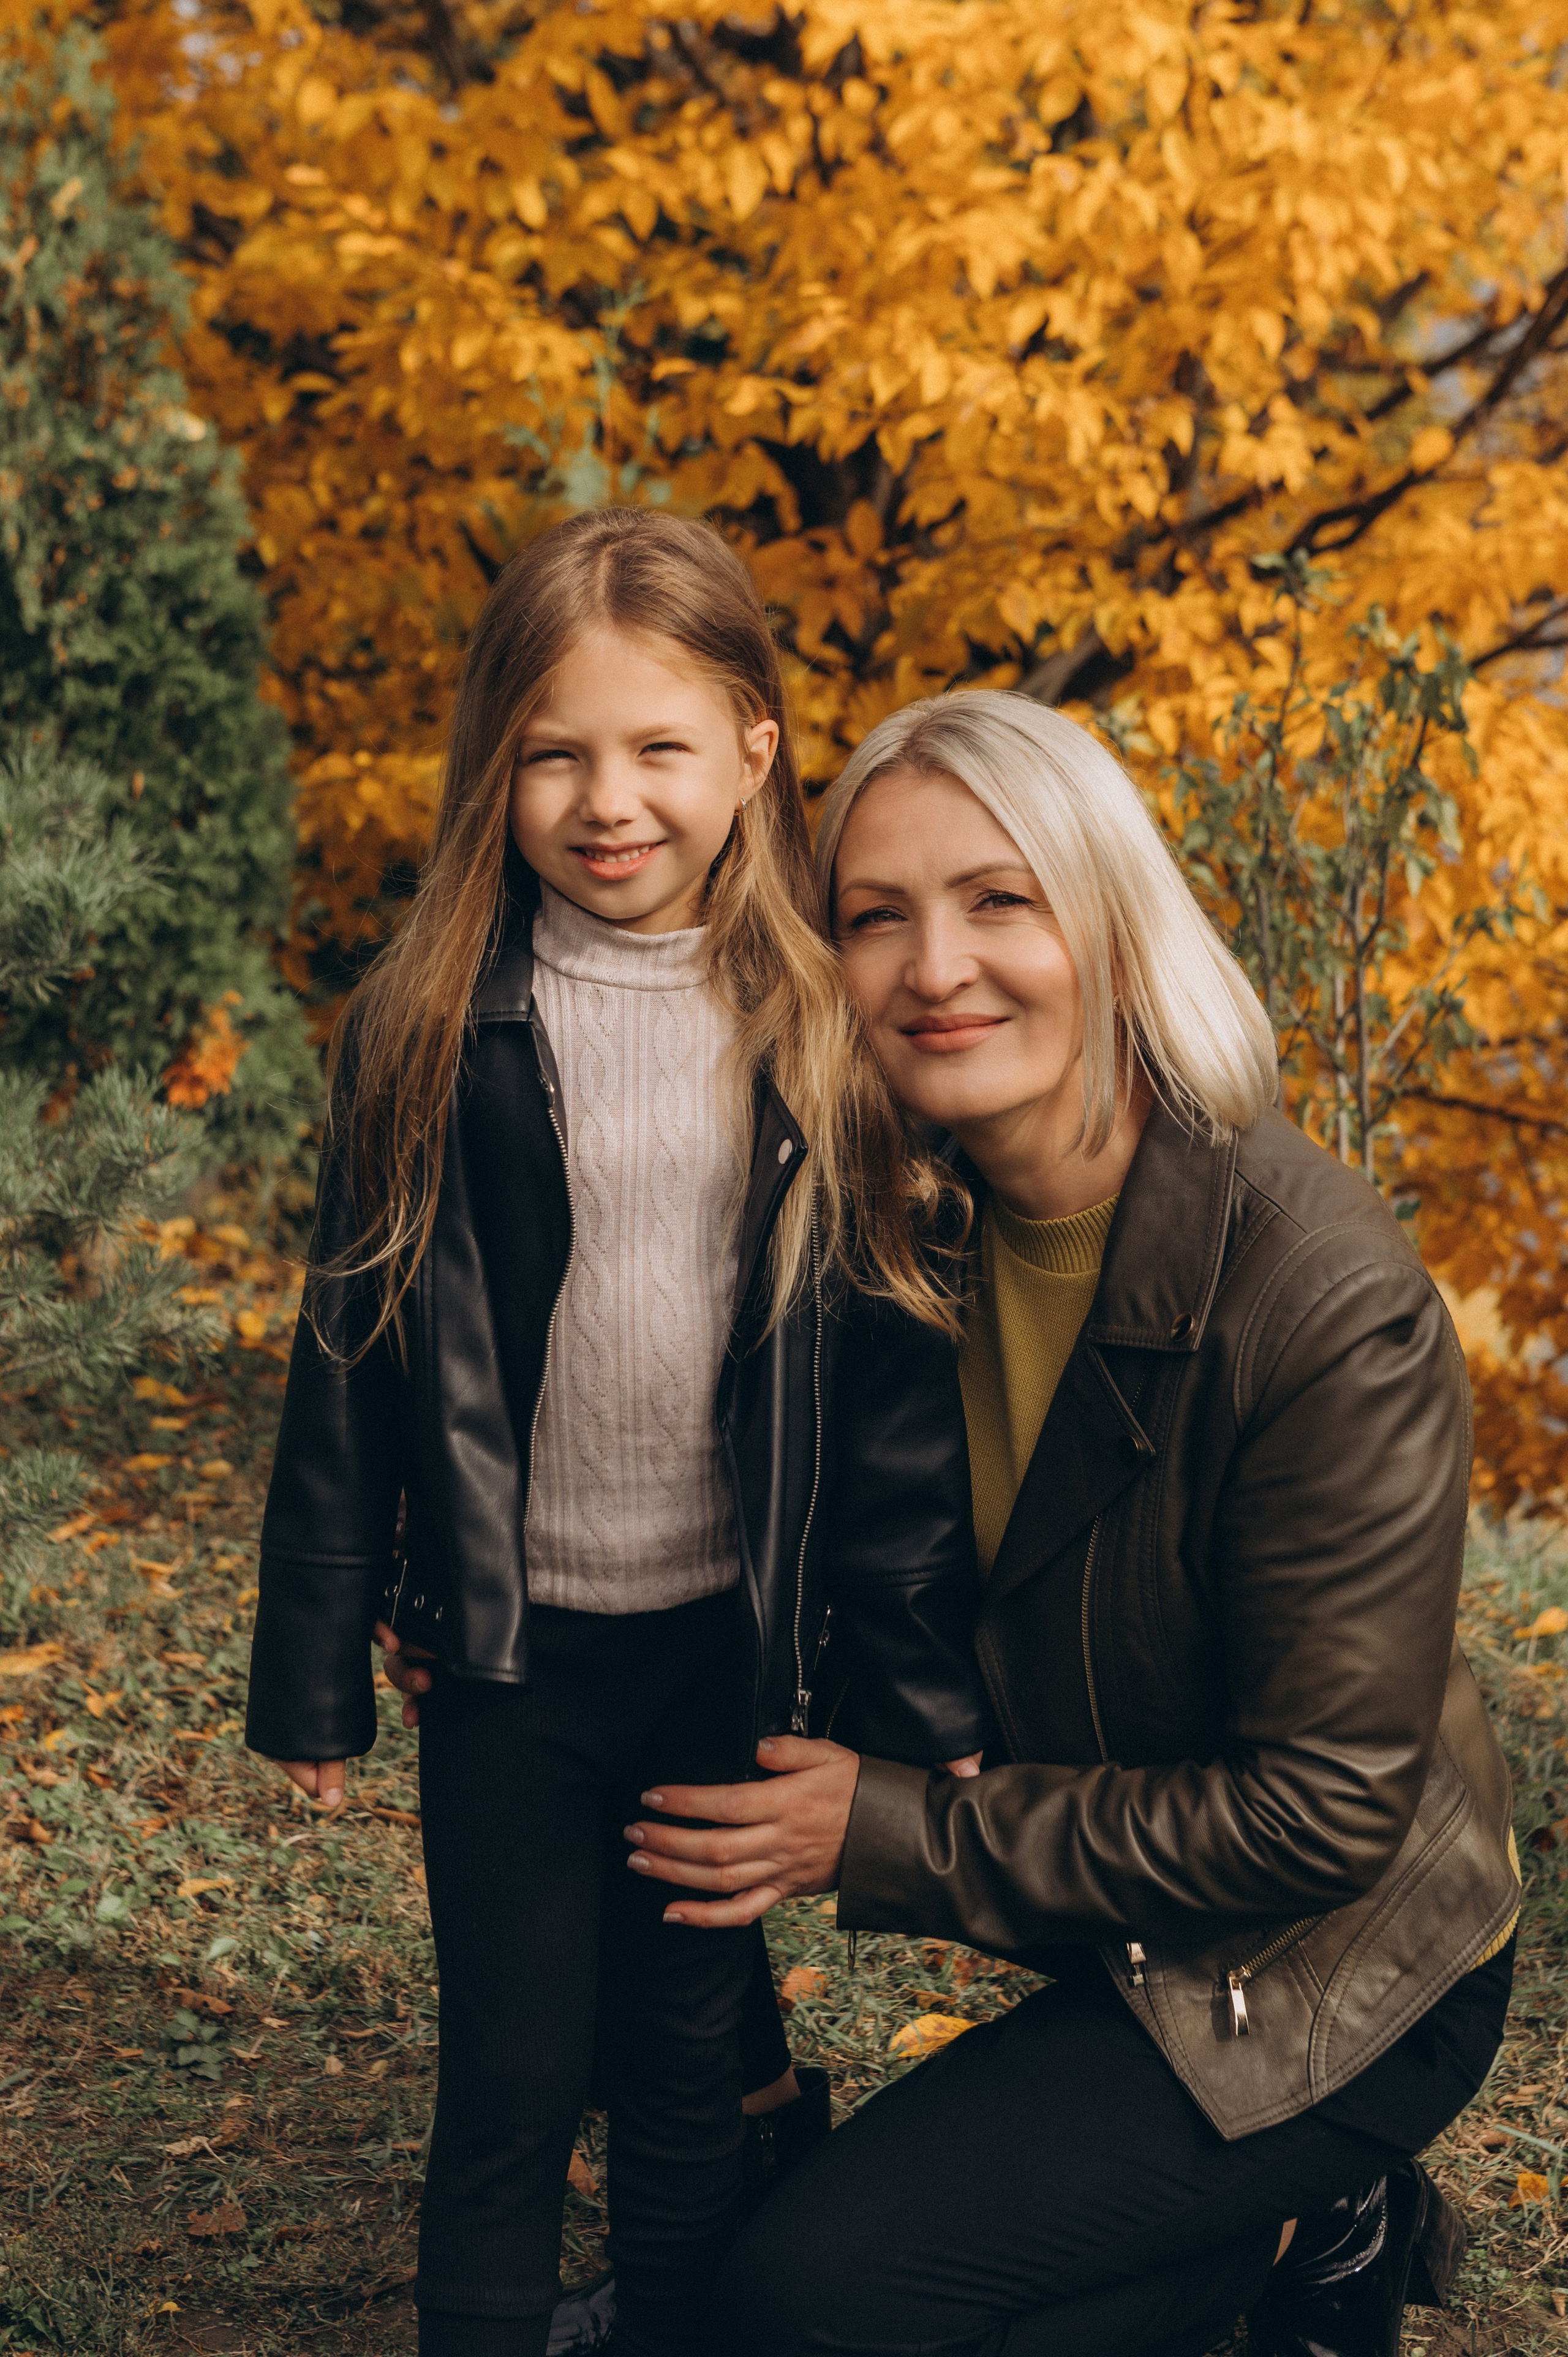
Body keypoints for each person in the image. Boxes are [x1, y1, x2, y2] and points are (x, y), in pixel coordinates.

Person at [621, 690, 1522, 2357]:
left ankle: (1330, 2211)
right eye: (875, 918)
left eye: (998, 900)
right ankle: (1286, 2229)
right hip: (1128, 1925)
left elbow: (1323, 1818)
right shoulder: (897, 1234)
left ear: (1111, 922)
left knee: (807, 2315)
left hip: (1340, 1968)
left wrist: (883, 1833)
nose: (933, 966)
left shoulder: (1317, 1292)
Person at [242, 513, 991, 2357]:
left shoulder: (825, 1027)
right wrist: (315, 1667)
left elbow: (886, 1421)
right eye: (556, 752)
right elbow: (353, 1354)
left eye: (660, 749)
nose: (608, 800)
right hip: (510, 1660)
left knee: (679, 2071)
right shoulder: (423, 1024)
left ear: (752, 751)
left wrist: (926, 1711)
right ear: (495, 764)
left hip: (719, 1658)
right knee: (506, 2083)